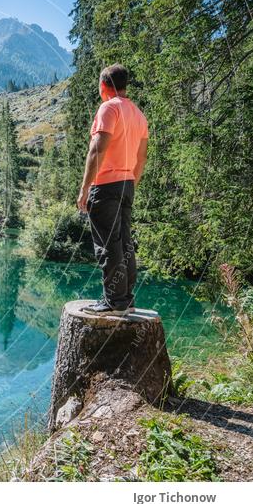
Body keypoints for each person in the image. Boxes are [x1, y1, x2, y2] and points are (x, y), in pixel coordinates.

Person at [76, 64, 149, 316]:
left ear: (103, 85)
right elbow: (141, 158)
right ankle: (125, 299)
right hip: (127, 184)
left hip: (105, 185)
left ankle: (113, 302)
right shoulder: (138, 115)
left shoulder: (109, 108)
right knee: (124, 243)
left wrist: (85, 188)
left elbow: (98, 149)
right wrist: (130, 183)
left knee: (108, 245)